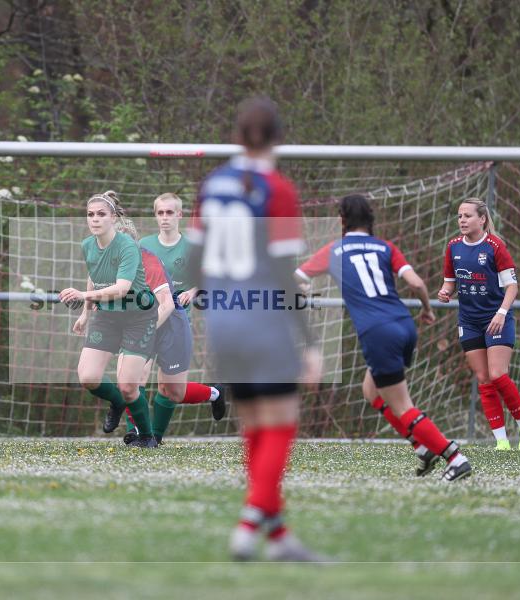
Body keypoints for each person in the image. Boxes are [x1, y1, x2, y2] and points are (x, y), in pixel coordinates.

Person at [188, 96, 323, 561]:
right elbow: (286, 272)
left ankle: (279, 538)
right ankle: (248, 526)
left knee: (254, 426)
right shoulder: (277, 189)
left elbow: (194, 261)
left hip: (223, 319)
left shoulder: (212, 183)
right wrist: (309, 343)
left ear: (235, 137)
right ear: (279, 138)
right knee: (282, 421)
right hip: (263, 316)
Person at [295, 195, 472, 481]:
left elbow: (296, 277)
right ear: (370, 220)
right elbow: (415, 283)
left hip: (377, 333)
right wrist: (427, 310)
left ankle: (454, 456)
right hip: (404, 326)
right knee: (371, 391)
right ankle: (421, 449)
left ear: (342, 220)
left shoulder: (333, 250)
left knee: (402, 405)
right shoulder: (385, 247)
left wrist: (302, 292)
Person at [122, 193, 226, 445]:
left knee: (170, 390)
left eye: (170, 212)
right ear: (155, 215)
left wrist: (193, 291)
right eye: (160, 213)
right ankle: (137, 434)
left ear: (180, 215)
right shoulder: (144, 245)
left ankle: (213, 393)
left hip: (176, 321)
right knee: (133, 377)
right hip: (146, 319)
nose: (165, 218)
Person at [59, 190, 159, 448]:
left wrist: (82, 295)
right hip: (107, 316)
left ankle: (147, 437)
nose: (95, 219)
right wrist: (85, 313)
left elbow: (122, 289)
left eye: (101, 214)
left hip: (138, 317)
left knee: (128, 385)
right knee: (88, 377)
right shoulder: (87, 245)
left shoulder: (127, 245)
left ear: (113, 218)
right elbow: (95, 276)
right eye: (90, 214)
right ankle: (116, 401)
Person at [438, 198, 520, 451]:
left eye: (467, 216)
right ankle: (501, 441)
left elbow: (512, 286)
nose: (462, 220)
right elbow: (450, 282)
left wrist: (502, 313)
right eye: (459, 216)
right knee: (483, 378)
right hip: (469, 321)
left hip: (496, 318)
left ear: (482, 219)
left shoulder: (495, 246)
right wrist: (445, 292)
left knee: (497, 374)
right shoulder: (453, 248)